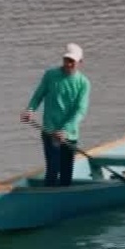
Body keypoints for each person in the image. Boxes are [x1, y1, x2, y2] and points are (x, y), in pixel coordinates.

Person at [22, 43, 92, 187]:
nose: (68, 64)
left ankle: (64, 199)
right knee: (53, 169)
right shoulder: (50, 75)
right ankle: (47, 198)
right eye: (66, 60)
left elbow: (80, 110)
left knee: (66, 173)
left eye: (72, 61)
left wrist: (65, 130)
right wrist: (30, 110)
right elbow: (38, 95)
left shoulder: (83, 83)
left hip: (69, 135)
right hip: (50, 131)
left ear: (80, 62)